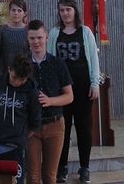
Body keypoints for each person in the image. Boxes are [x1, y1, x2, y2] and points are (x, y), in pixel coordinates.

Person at [47, 0, 100, 184]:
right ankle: (61, 167)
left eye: (68, 9)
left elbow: (93, 59)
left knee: (84, 128)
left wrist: (95, 83)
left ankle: (84, 167)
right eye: (62, 10)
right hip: (61, 90)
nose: (65, 13)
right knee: (63, 128)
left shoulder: (85, 32)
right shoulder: (55, 32)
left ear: (75, 11)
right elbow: (50, 60)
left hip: (83, 87)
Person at [26, 19, 74, 184]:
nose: (36, 42)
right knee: (33, 177)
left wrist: (50, 101)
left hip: (54, 125)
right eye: (32, 38)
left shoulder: (57, 63)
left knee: (50, 176)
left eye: (39, 37)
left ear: (46, 37)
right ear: (28, 39)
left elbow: (69, 96)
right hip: (31, 127)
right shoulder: (23, 65)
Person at [0, 54, 41, 184]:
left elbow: (34, 123)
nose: (17, 82)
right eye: (14, 77)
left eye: (22, 80)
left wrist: (20, 136)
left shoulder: (32, 91)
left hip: (15, 146)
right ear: (9, 69)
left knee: (14, 181)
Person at [0, 0, 29, 76]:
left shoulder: (28, 30)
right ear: (9, 12)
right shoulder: (2, 30)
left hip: (24, 74)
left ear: (25, 13)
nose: (16, 13)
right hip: (5, 74)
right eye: (13, 10)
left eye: (19, 10)